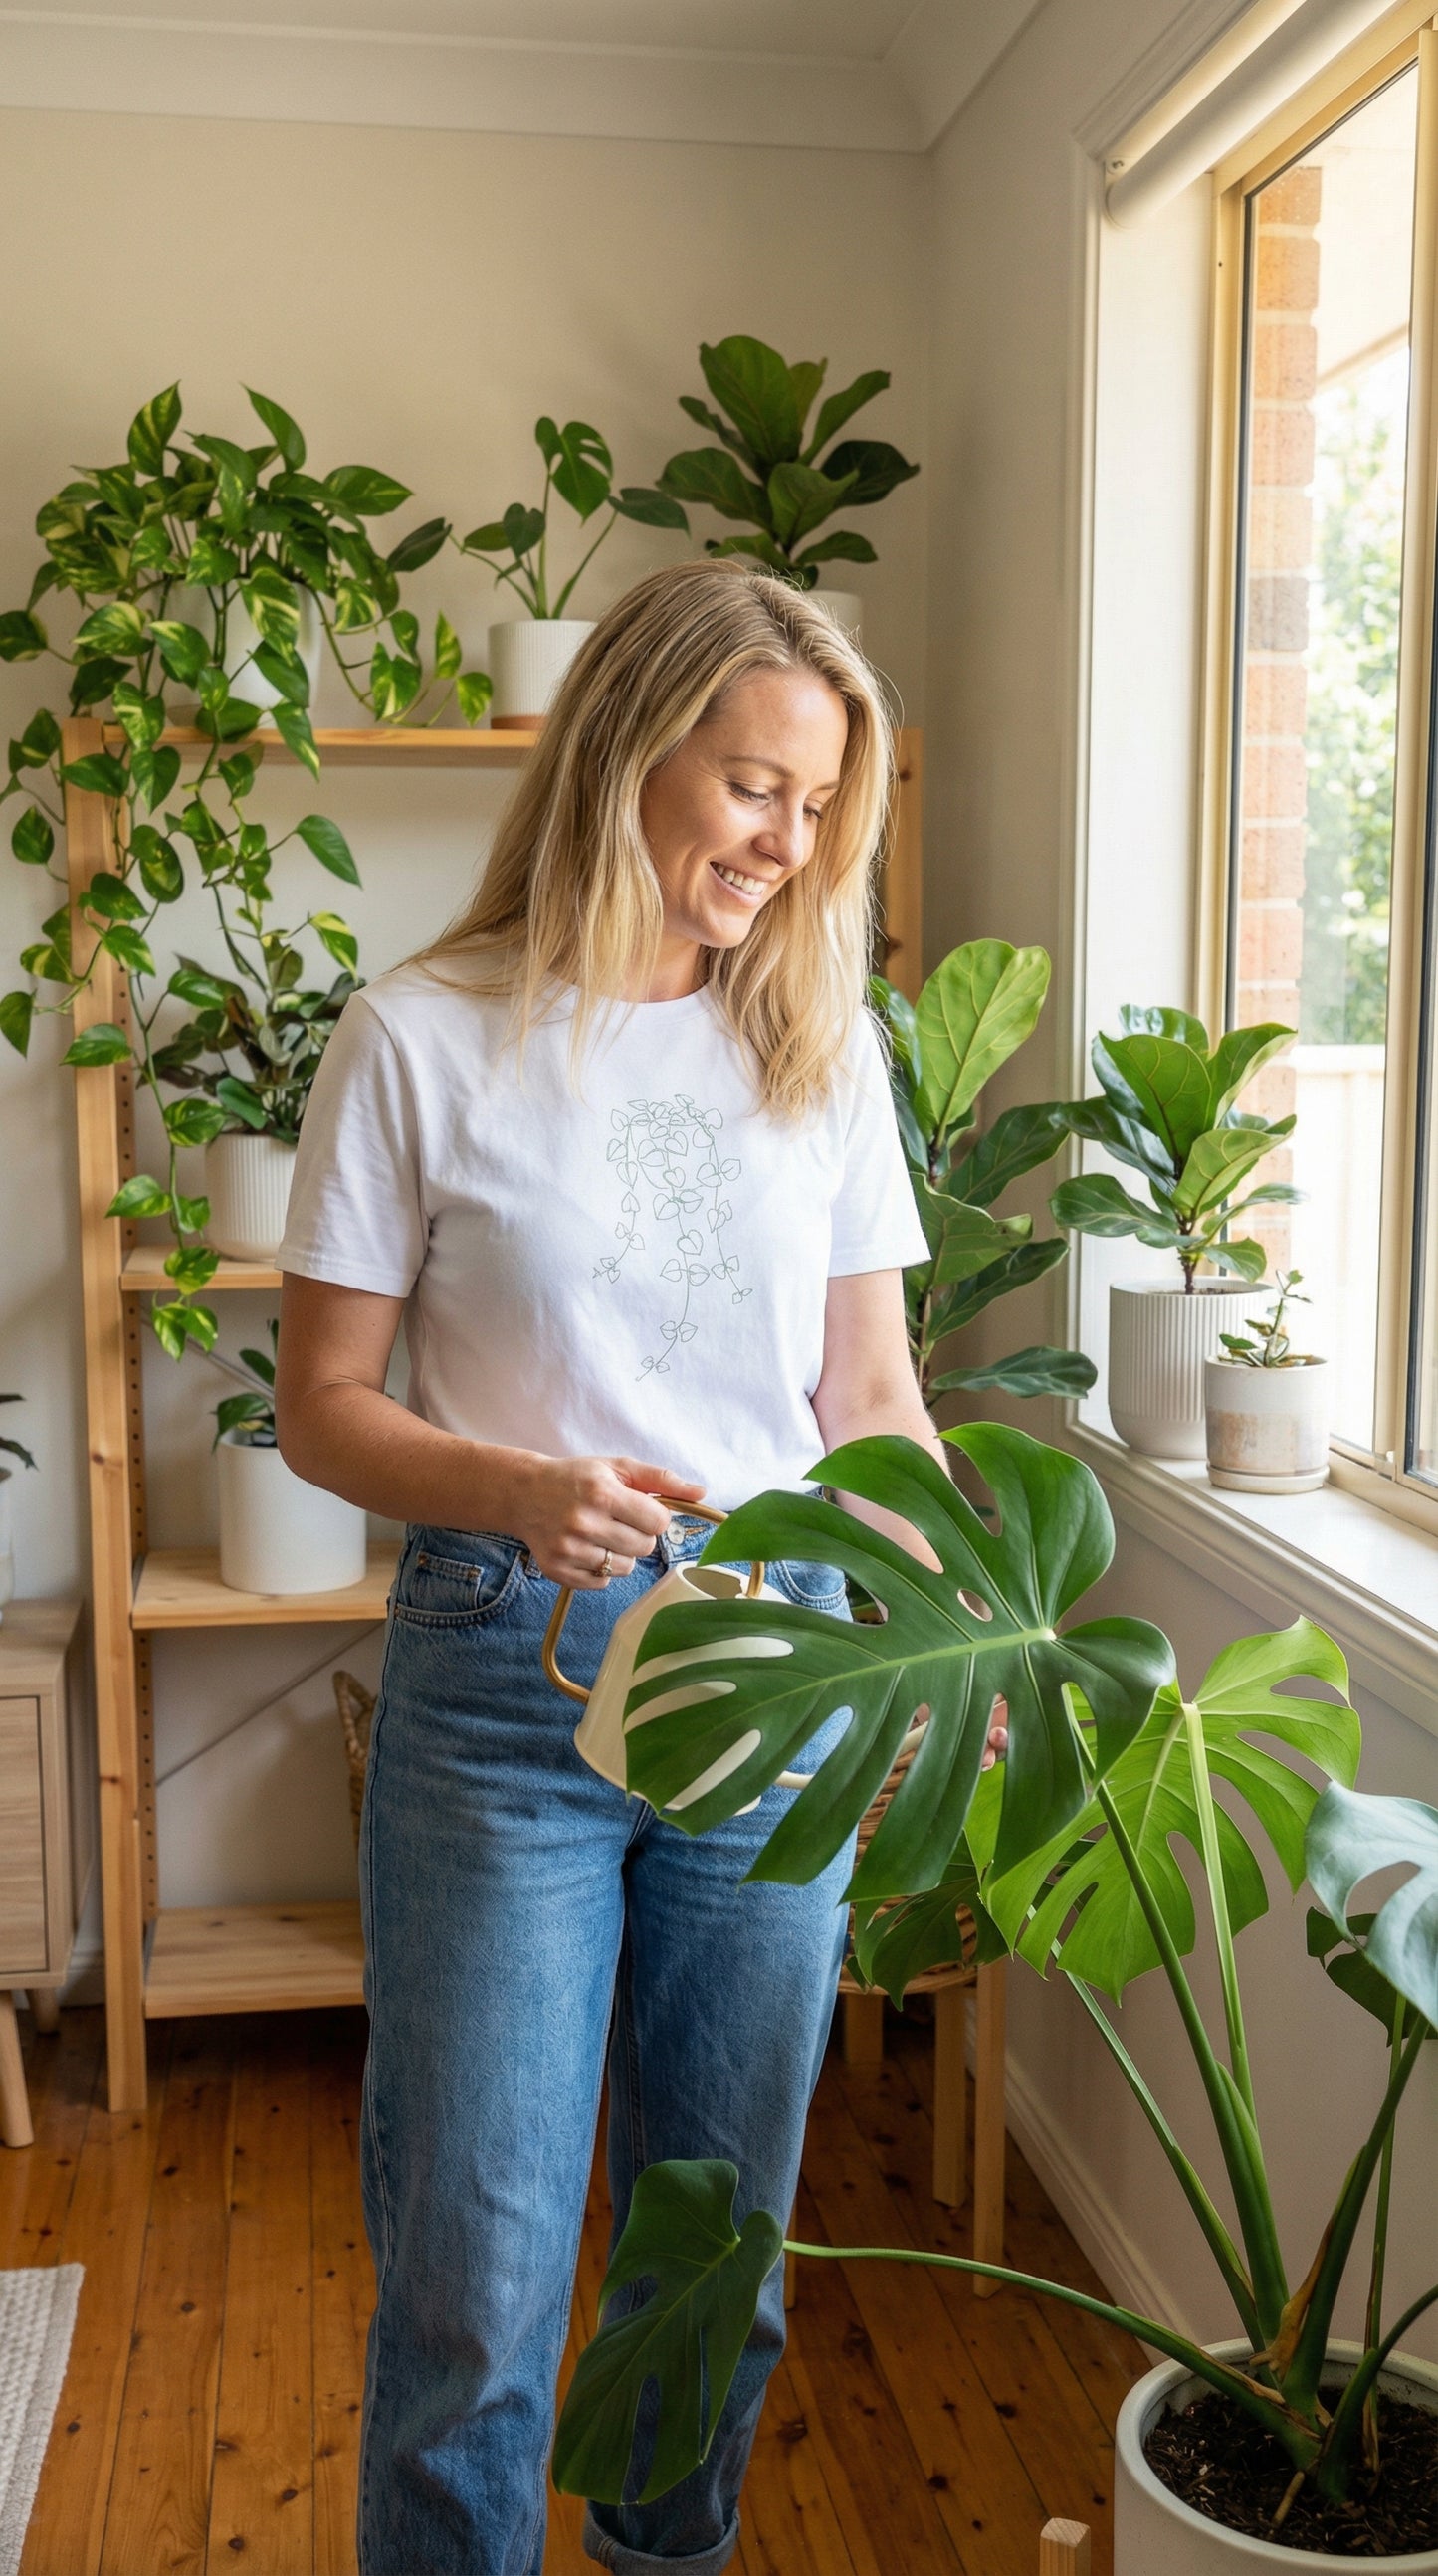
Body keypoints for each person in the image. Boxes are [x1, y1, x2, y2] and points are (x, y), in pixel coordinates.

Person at [274, 560, 1005, 2576]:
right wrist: (512, 1487)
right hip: (506, 1679)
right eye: (756, 786)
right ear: (625, 750)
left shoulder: (818, 1050)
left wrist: (957, 1622)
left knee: (712, 2254)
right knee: (474, 2278)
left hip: (776, 1675)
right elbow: (320, 1405)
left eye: (820, 808)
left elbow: (870, 1392)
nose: (788, 844)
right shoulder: (420, 1035)